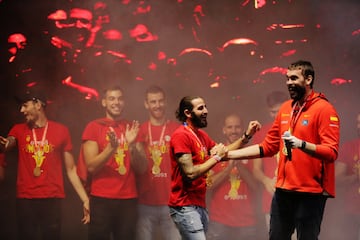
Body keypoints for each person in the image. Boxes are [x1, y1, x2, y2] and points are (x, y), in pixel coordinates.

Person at [226, 60, 340, 240]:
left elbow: (331, 152)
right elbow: (268, 147)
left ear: (308, 79)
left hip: (311, 191)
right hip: (283, 190)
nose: (289, 82)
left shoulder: (324, 109)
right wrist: (228, 154)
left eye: (294, 78)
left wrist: (301, 144)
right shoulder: (286, 108)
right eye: (287, 79)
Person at [0, 87, 90, 240]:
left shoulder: (61, 131)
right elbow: (10, 142)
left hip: (52, 199)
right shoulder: (18, 129)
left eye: (25, 105)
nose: (21, 110)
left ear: (38, 105)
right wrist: (5, 144)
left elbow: (71, 169)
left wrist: (85, 199)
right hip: (26, 199)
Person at [168, 96, 261, 240]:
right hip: (185, 205)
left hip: (198, 204)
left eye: (205, 107)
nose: (206, 111)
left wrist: (247, 136)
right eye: (200, 108)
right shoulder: (181, 135)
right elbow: (190, 173)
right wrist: (217, 158)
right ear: (187, 113)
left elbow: (224, 152)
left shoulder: (200, 135)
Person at [81, 84, 146, 240]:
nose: (116, 102)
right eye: (111, 99)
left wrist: (131, 146)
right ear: (104, 102)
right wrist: (111, 148)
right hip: (101, 199)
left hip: (128, 200)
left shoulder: (132, 127)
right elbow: (91, 167)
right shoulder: (94, 127)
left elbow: (142, 168)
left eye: (119, 99)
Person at [135, 85, 181, 240]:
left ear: (165, 102)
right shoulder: (140, 131)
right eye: (153, 102)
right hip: (145, 202)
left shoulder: (177, 130)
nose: (157, 105)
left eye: (160, 101)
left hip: (172, 202)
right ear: (146, 104)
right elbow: (137, 168)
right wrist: (137, 148)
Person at [206, 113, 260, 240]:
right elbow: (208, 185)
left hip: (247, 221)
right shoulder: (215, 152)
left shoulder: (252, 152)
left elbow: (256, 187)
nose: (233, 131)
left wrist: (239, 165)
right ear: (224, 130)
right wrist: (228, 169)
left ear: (242, 129)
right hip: (220, 221)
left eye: (237, 127)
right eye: (230, 127)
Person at [252, 91, 290, 236]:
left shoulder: (299, 129)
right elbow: (256, 170)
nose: (278, 115)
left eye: (281, 111)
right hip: (272, 200)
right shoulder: (262, 134)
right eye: (274, 112)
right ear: (269, 112)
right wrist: (266, 181)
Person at [333, 112, 360, 239]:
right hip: (353, 214)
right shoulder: (349, 147)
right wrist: (356, 177)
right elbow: (336, 180)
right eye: (358, 123)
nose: (359, 126)